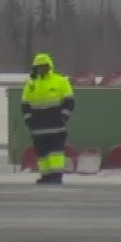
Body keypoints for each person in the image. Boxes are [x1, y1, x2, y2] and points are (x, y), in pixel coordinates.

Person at [21, 52, 75, 184]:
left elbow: (69, 102)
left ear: (49, 66)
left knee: (55, 153)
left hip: (56, 128)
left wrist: (63, 118)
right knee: (42, 155)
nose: (41, 69)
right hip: (38, 128)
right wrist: (29, 121)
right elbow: (25, 104)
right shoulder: (31, 84)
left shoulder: (60, 81)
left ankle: (56, 176)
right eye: (38, 67)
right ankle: (46, 176)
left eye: (43, 66)